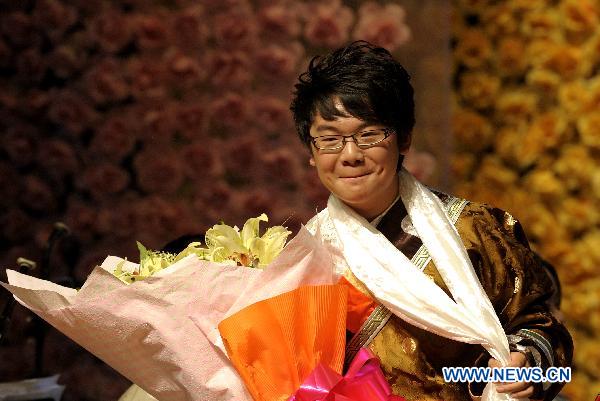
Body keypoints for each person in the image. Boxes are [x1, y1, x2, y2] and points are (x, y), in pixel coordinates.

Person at [290, 41, 573, 401]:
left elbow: (540, 324)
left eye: (369, 135)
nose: (350, 155)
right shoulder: (301, 258)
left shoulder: (474, 229)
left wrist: (525, 361)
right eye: (329, 139)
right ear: (311, 153)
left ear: (404, 138)